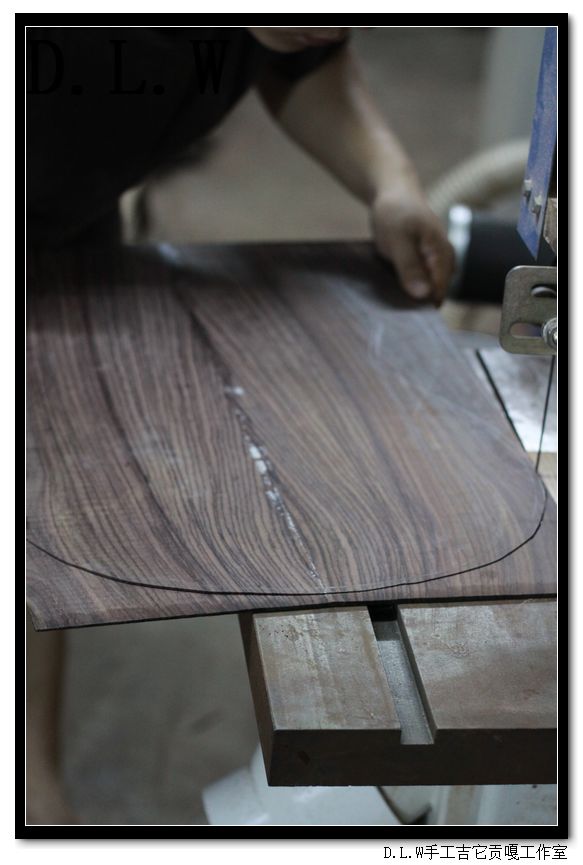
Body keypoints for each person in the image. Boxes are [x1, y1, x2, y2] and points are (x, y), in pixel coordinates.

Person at [26, 26, 454, 824]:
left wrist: (389, 184)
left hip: (64, 217)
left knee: (49, 476)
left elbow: (304, 63)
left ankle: (27, 776)